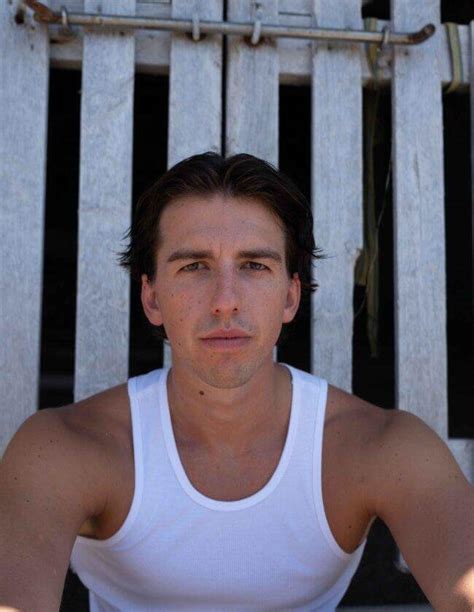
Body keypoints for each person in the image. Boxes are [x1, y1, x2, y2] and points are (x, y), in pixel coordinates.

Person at [1, 152, 473, 612]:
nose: (225, 301)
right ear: (152, 298)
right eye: (194, 266)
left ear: (290, 297)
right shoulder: (67, 448)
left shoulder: (380, 447)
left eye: (254, 266)